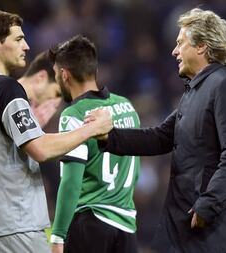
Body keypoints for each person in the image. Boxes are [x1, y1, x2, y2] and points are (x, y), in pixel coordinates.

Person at [0, 9, 112, 253]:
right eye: (18, 39)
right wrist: (92, 128)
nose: (27, 46)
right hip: (12, 226)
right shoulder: (5, 88)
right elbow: (40, 150)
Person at [97, 8, 226, 253]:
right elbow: (161, 137)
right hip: (193, 228)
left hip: (222, 233)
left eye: (180, 43)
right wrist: (108, 135)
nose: (174, 51)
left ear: (202, 47)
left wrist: (208, 204)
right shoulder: (196, 91)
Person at [49, 35, 141, 253]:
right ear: (95, 71)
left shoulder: (74, 114)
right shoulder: (126, 106)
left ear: (64, 75)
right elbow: (135, 169)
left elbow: (71, 182)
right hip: (126, 226)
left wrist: (58, 235)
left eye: (55, 76)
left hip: (90, 224)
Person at [18, 51, 61, 127]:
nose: (57, 101)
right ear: (41, 77)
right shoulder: (2, 96)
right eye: (57, 93)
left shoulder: (23, 107)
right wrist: (31, 128)